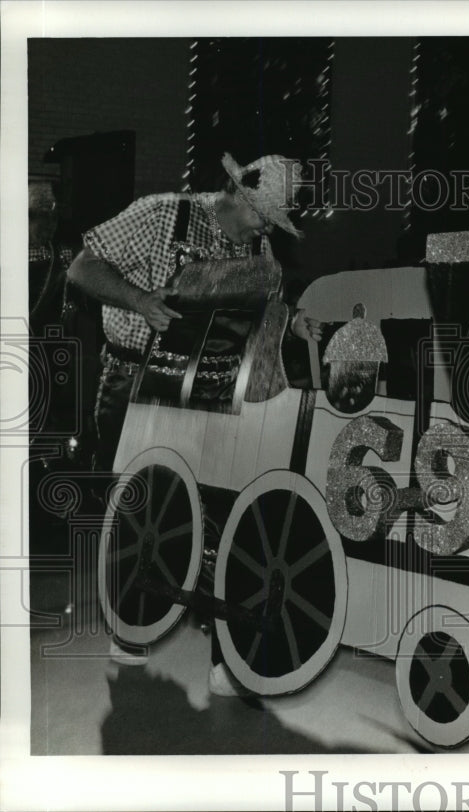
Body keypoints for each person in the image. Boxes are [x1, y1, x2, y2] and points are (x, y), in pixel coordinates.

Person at [66, 152, 323, 688]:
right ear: (237, 194)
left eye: (272, 223)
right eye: (262, 216)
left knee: (216, 507)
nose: (262, 230)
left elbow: (262, 308)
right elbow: (82, 267)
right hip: (134, 377)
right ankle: (130, 623)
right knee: (143, 509)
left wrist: (294, 324)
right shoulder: (161, 216)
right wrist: (141, 301)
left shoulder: (258, 247)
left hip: (210, 385)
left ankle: (224, 644)